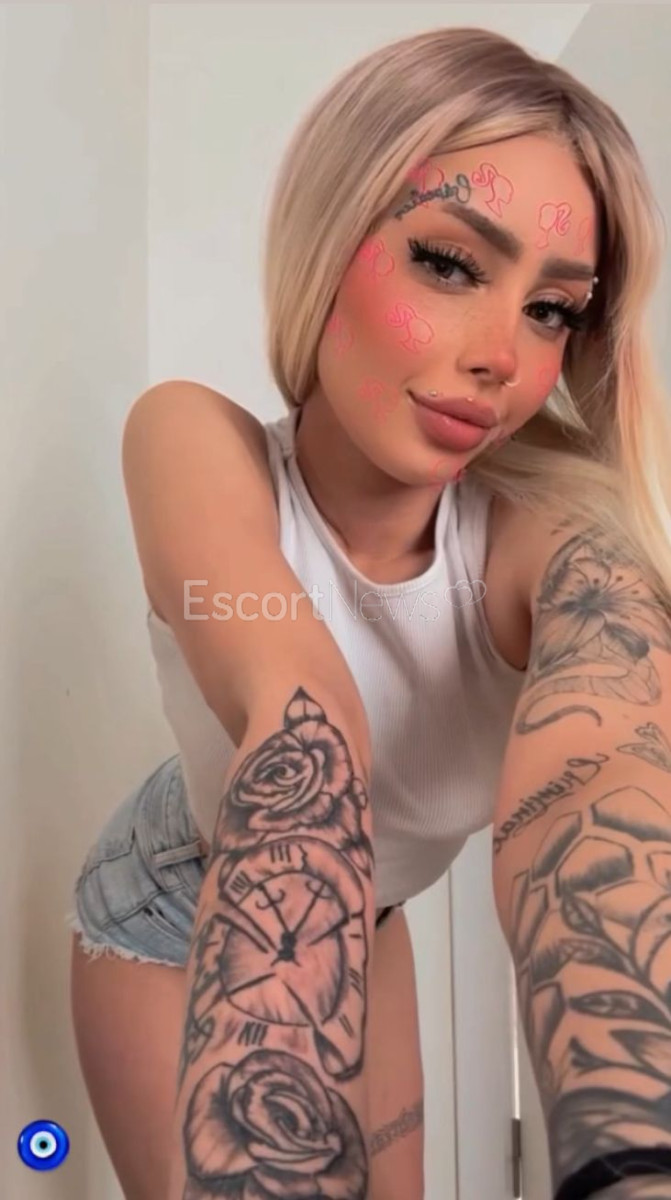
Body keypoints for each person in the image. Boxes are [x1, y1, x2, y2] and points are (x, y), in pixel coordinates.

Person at [66, 24, 671, 1200]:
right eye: (448, 264)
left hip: (373, 906)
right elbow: (306, 720)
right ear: (330, 233)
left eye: (551, 309)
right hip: (171, 901)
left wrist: (633, 1152)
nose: (501, 356)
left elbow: (599, 773)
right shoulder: (194, 441)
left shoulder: (553, 536)